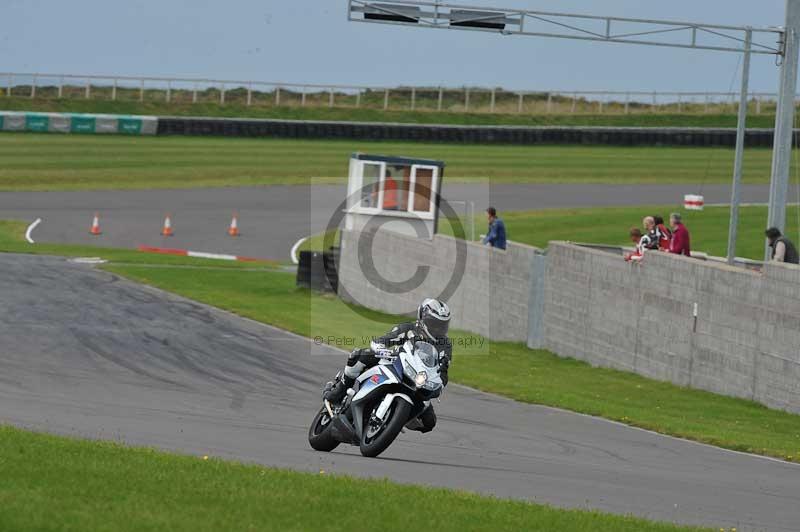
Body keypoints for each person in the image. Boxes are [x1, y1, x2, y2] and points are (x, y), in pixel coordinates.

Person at [324, 298, 453, 406]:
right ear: (422, 319)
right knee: (359, 356)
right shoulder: (408, 329)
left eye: (442, 325)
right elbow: (379, 342)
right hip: (395, 365)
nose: (438, 329)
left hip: (419, 381)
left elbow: (443, 373)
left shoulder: (445, 344)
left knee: (429, 422)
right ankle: (340, 391)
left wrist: (439, 387)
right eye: (434, 323)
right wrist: (386, 353)